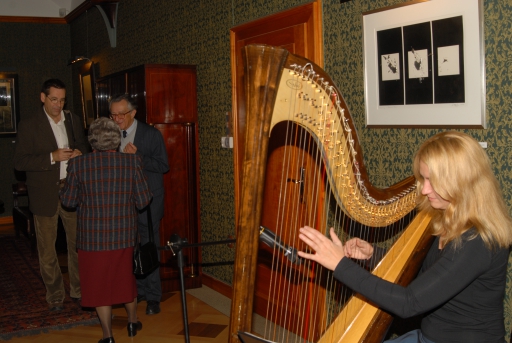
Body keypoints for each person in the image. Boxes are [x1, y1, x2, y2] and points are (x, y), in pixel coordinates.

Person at [297, 131, 512, 343]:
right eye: (423, 178)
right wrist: (373, 255)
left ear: (462, 182)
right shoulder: (447, 217)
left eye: (432, 180)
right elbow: (430, 276)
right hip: (427, 336)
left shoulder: (479, 241)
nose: (425, 189)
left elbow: (409, 303)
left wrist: (340, 265)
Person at [60, 117, 152, 343]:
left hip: (92, 239)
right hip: (124, 236)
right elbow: (143, 201)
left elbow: (69, 202)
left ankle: (108, 336)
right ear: (116, 140)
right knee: (126, 281)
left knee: (99, 286)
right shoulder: (132, 163)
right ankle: (132, 323)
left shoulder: (78, 165)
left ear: (92, 142)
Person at [14, 78, 88, 311]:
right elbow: (19, 162)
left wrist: (79, 154)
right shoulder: (29, 125)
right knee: (47, 250)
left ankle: (79, 291)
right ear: (43, 97)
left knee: (78, 245)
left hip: (72, 190)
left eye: (62, 100)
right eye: (54, 99)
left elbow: (84, 147)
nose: (58, 105)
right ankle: (55, 295)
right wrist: (52, 157)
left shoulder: (73, 120)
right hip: (44, 194)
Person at [109, 93, 169, 315]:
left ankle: (153, 297)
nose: (116, 119)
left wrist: (139, 157)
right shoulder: (111, 134)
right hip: (123, 202)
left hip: (149, 202)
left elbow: (163, 165)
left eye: (121, 114)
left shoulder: (151, 134)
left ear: (133, 113)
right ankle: (138, 291)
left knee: (148, 247)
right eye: (113, 114)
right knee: (129, 248)